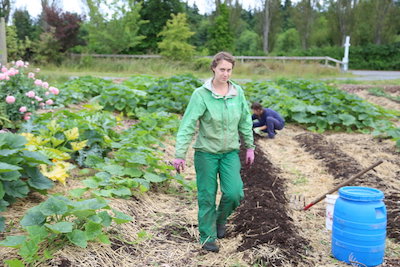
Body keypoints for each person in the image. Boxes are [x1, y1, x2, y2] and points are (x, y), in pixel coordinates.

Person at [173, 52, 255, 253]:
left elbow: (245, 119)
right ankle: (207, 236)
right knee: (207, 195)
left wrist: (250, 146)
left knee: (235, 192)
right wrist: (179, 153)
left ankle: (220, 220)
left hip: (229, 153)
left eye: (229, 70)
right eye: (222, 70)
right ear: (213, 69)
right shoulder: (201, 95)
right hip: (206, 153)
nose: (225, 74)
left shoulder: (237, 92)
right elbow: (188, 125)